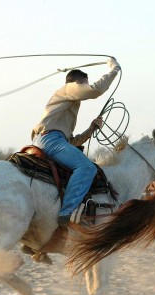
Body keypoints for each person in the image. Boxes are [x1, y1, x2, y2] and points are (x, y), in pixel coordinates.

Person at [31, 57, 121, 227]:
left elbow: (70, 142)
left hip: (49, 140)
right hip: (50, 140)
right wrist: (114, 68)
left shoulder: (64, 107)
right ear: (78, 82)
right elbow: (95, 90)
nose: (84, 87)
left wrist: (91, 129)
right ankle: (67, 212)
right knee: (87, 167)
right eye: (84, 84)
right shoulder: (68, 89)